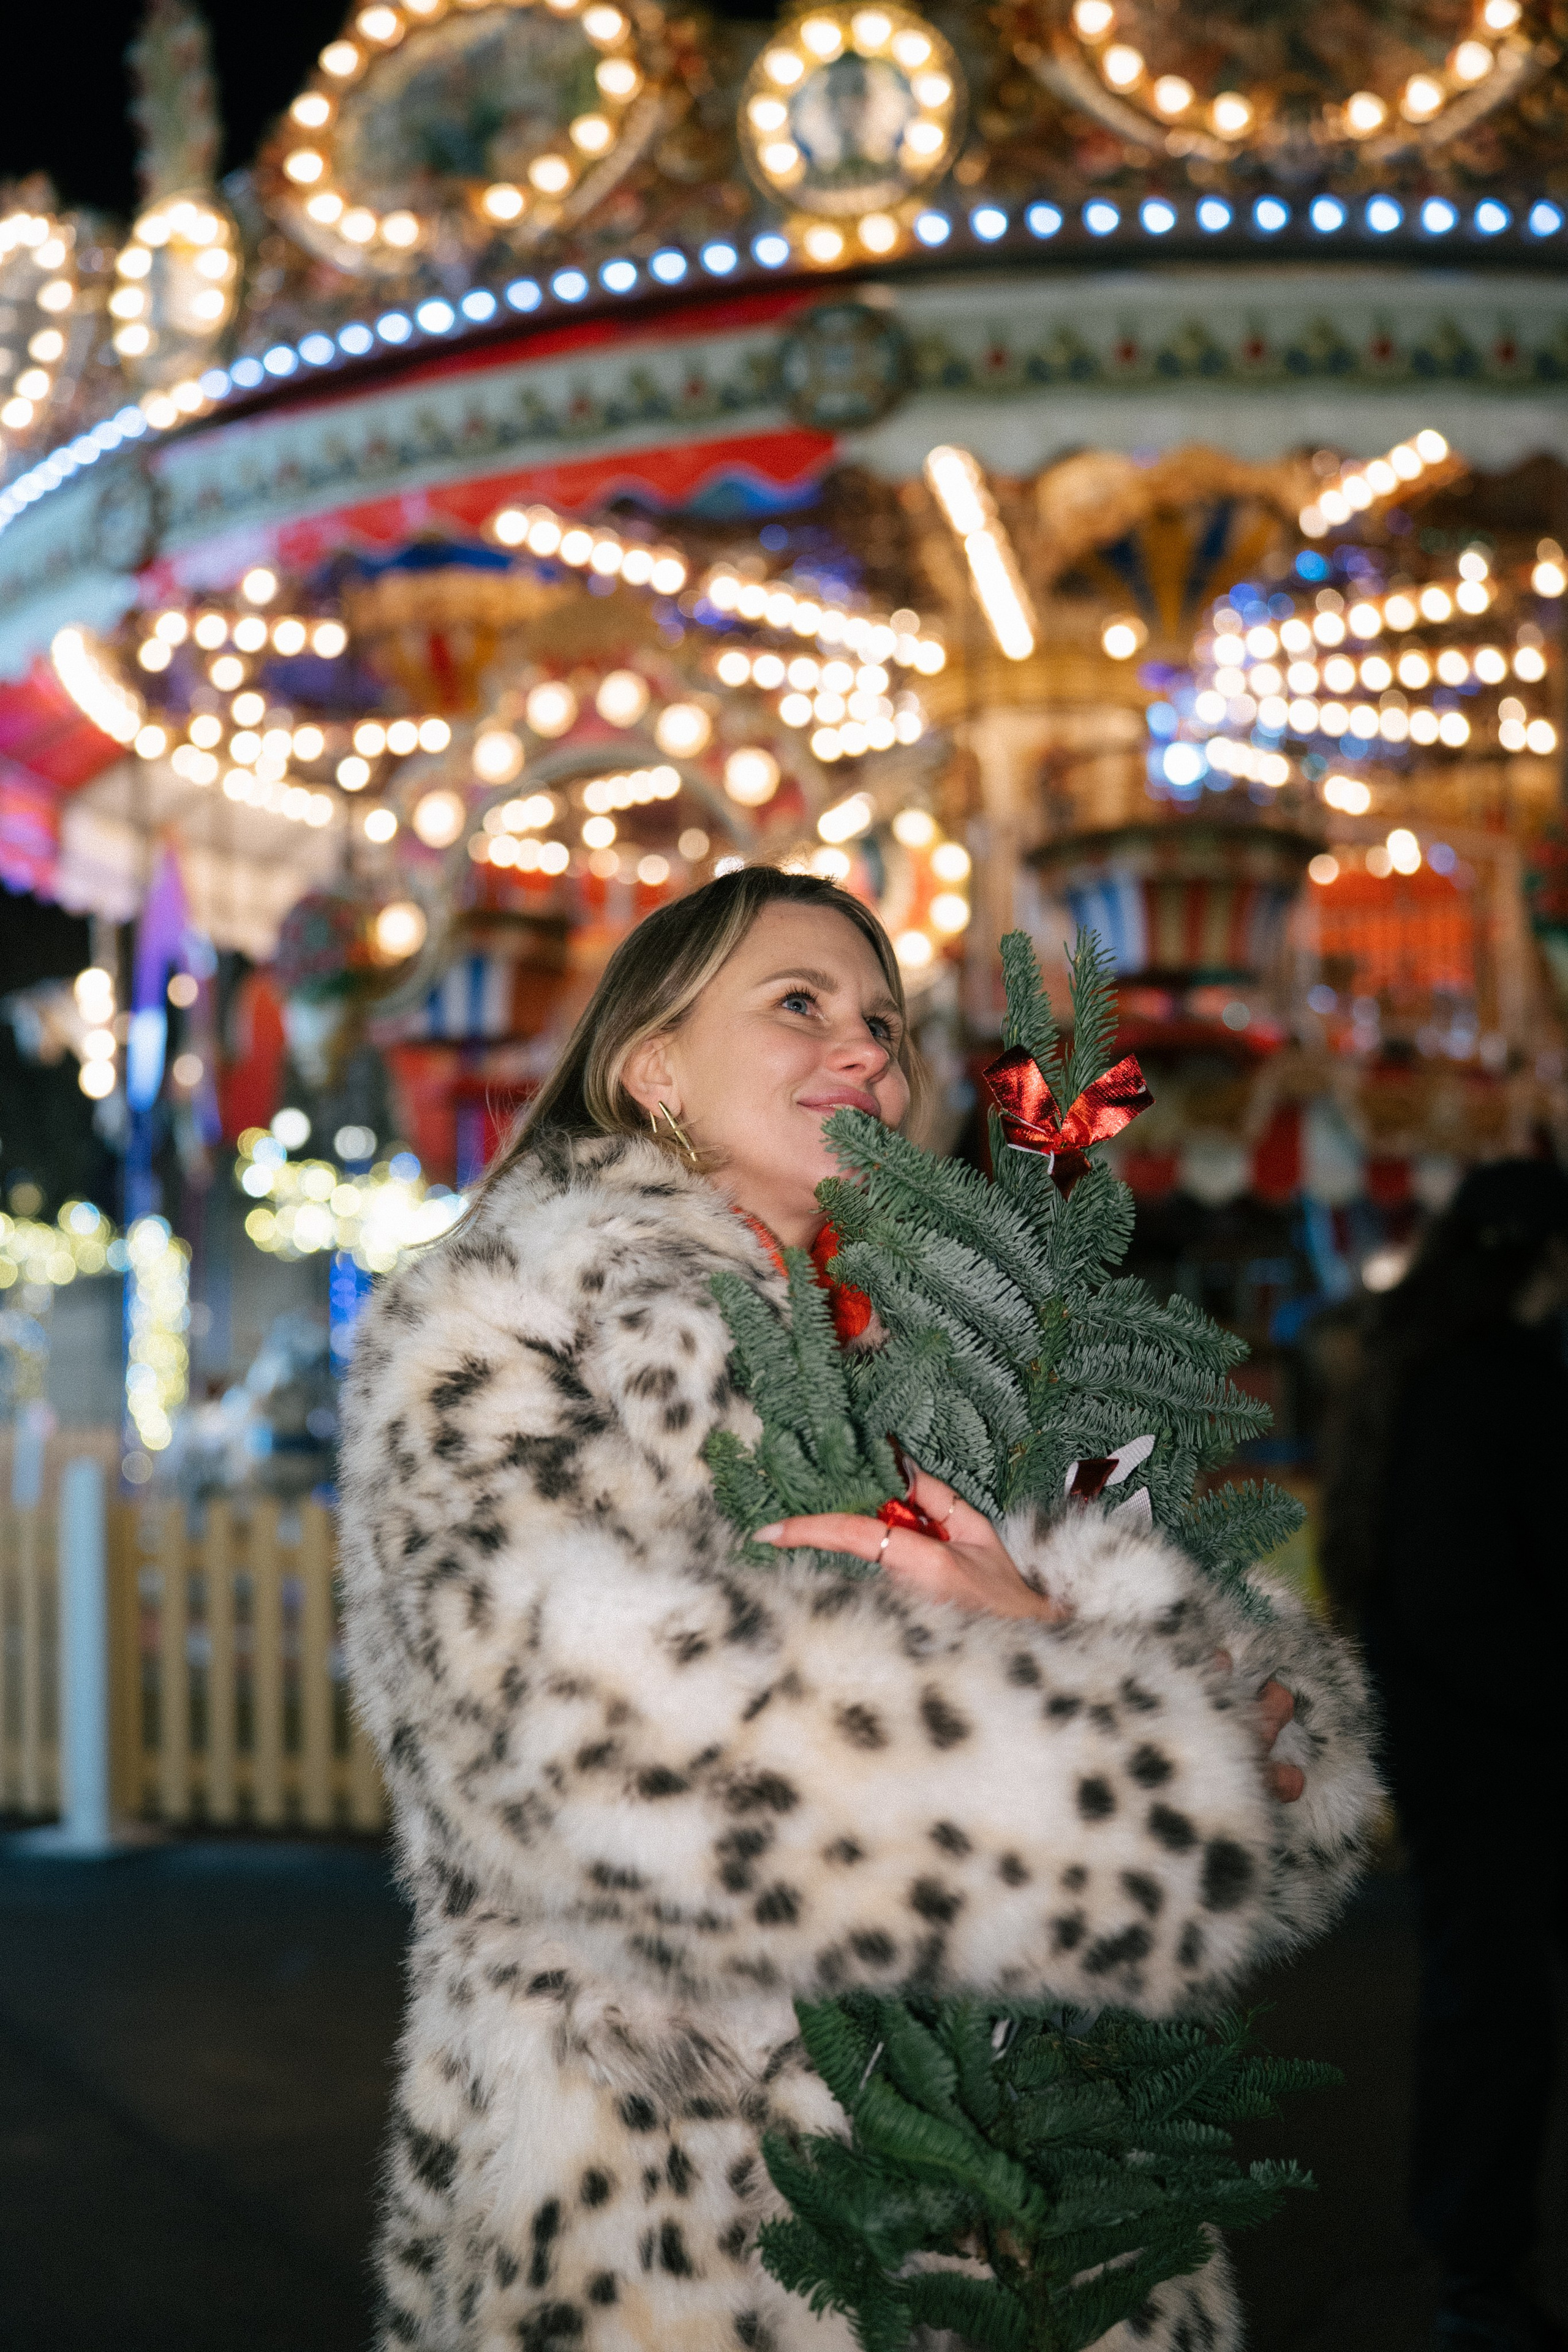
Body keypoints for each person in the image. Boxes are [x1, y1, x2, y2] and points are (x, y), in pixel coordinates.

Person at [339, 867, 1379, 2352]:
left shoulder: (974, 1346)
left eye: (883, 1025)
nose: (864, 1052)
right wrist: (1097, 1707)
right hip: (675, 2207)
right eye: (798, 1004)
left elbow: (1260, 1719)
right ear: (651, 1066)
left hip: (1038, 2197)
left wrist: (1199, 1723)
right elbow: (606, 1766)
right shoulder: (503, 1323)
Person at [1319, 1159, 1568, 2352]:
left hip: (1456, 1754)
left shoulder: (1417, 1369)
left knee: (1488, 2011)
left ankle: (1476, 2263)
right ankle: (1475, 2275)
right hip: (1502, 1764)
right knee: (1494, 2021)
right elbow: (1470, 1603)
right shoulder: (1494, 1382)